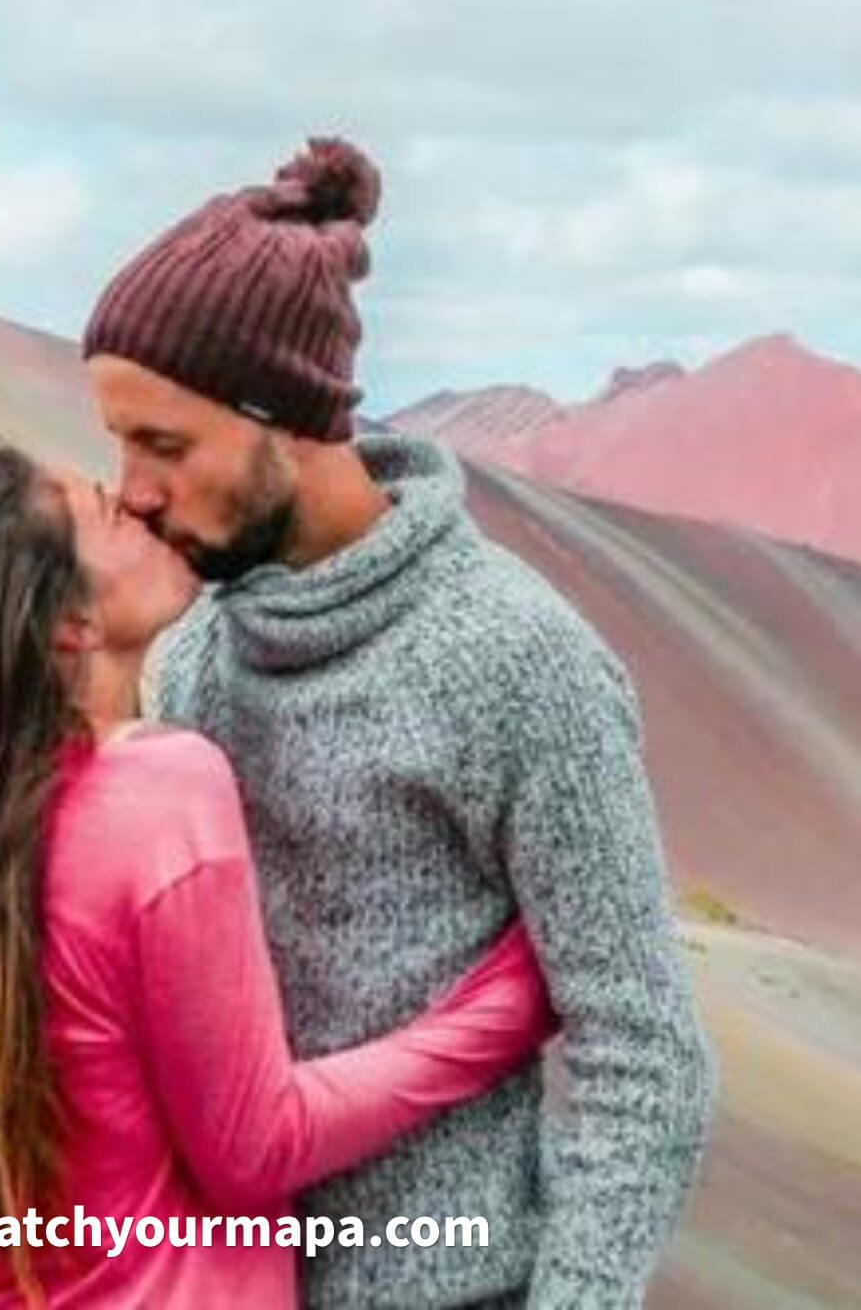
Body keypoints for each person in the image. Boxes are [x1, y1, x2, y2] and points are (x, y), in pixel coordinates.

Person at [82, 135, 716, 1309]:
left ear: (287, 418)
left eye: (163, 443)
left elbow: (645, 1057)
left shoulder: (522, 661)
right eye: (121, 444)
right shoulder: (201, 653)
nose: (132, 489)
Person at [0, 444, 559, 1309]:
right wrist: (513, 1000)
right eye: (107, 510)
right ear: (71, 623)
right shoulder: (158, 790)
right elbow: (255, 1147)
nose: (138, 506)